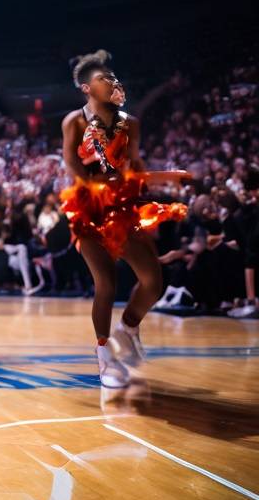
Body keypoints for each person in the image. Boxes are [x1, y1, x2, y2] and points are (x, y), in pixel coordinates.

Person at [60, 50, 188, 388]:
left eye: (113, 77)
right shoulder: (74, 121)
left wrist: (163, 178)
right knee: (106, 282)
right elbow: (71, 164)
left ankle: (128, 329)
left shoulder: (129, 122)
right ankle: (104, 358)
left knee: (153, 280)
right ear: (87, 88)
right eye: (104, 78)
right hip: (89, 208)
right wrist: (95, 184)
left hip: (122, 206)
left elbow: (135, 164)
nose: (113, 81)